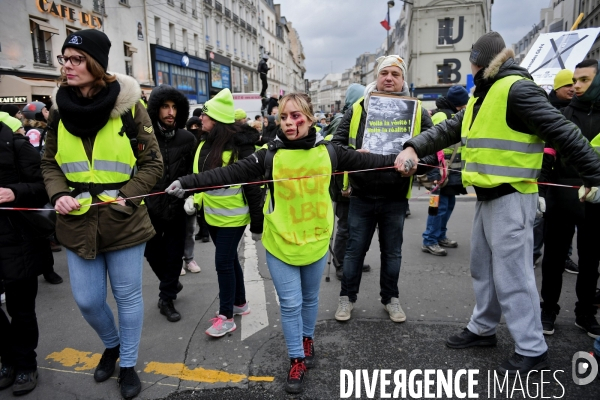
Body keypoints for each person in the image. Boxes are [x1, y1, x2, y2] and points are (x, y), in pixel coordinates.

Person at [166, 92, 401, 394]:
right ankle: (296, 358)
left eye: (296, 116)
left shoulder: (330, 152)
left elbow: (371, 161)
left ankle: (306, 339)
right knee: (290, 305)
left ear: (310, 118)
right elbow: (227, 173)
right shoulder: (268, 155)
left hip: (316, 239)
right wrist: (187, 183)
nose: (290, 123)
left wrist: (410, 161)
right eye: (284, 117)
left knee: (310, 299)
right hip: (280, 242)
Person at [395, 32, 600, 375]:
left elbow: (563, 131)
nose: (470, 70)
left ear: (483, 61)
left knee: (513, 276)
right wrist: (414, 146)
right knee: (484, 269)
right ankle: (483, 328)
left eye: (472, 63)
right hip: (488, 197)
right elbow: (449, 131)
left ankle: (532, 347)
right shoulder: (484, 95)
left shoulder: (517, 89)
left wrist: (595, 175)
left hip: (512, 197)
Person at [41, 29, 163, 398]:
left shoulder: (130, 106)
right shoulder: (59, 110)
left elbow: (153, 163)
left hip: (124, 220)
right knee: (88, 300)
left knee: (127, 297)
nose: (67, 65)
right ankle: (111, 344)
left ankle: (127, 364)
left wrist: (126, 196)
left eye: (75, 59)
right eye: (64, 58)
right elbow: (49, 162)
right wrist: (59, 193)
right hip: (77, 221)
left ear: (96, 64)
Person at [331, 55, 434, 323]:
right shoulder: (357, 109)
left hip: (395, 197)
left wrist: (416, 166)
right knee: (354, 251)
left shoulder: (418, 111)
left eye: (395, 74)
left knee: (392, 252)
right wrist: (355, 154)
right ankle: (347, 298)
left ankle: (391, 298)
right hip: (362, 195)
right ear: (376, 78)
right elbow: (335, 147)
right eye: (384, 73)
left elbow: (433, 155)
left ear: (403, 80)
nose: (389, 78)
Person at [184, 88, 262, 337]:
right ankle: (240, 304)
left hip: (234, 218)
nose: (201, 119)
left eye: (205, 116)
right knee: (228, 261)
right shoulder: (204, 144)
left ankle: (226, 316)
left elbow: (253, 188)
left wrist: (257, 224)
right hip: (213, 216)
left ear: (216, 121)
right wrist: (194, 199)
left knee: (223, 263)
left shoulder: (241, 148)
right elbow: (200, 178)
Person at [539, 59, 600, 338]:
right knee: (553, 258)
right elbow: (548, 154)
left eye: (584, 80)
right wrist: (540, 192)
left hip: (595, 197)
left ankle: (585, 313)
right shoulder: (561, 114)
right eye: (574, 80)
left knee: (591, 260)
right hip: (561, 192)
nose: (576, 85)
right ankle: (547, 310)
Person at [0, 113, 51, 396]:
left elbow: (45, 186)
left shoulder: (16, 145)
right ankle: (7, 358)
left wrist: (13, 192)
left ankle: (24, 365)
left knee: (21, 310)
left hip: (18, 241)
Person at [145, 84, 197, 322]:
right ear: (155, 109)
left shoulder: (188, 138)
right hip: (149, 207)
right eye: (165, 106)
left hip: (177, 206)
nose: (170, 112)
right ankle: (171, 283)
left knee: (175, 254)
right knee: (151, 251)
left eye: (174, 107)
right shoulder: (143, 137)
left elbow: (191, 172)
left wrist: (189, 193)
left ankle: (166, 298)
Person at [323, 83, 371, 280]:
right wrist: (345, 184)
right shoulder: (342, 120)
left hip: (352, 181)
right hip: (343, 183)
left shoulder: (354, 117)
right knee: (345, 226)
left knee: (355, 226)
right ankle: (340, 263)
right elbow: (339, 155)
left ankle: (351, 260)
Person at [534, 69, 578, 271]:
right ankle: (533, 253)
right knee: (543, 220)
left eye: (574, 84)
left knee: (567, 224)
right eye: (568, 85)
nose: (572, 88)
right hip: (548, 175)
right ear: (557, 87)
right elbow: (546, 148)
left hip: (570, 179)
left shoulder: (577, 110)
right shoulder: (547, 109)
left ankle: (565, 256)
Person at [421, 85, 469, 256]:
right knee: (437, 206)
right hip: (438, 170)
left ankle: (440, 235)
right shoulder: (442, 115)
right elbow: (430, 139)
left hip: (449, 171)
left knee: (448, 204)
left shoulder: (451, 113)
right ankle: (429, 240)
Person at [185, 116, 210, 244]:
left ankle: (205, 232)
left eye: (196, 126)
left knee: (202, 207)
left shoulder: (202, 141)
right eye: (191, 127)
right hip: (194, 177)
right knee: (196, 207)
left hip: (203, 178)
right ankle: (202, 231)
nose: (194, 129)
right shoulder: (190, 140)